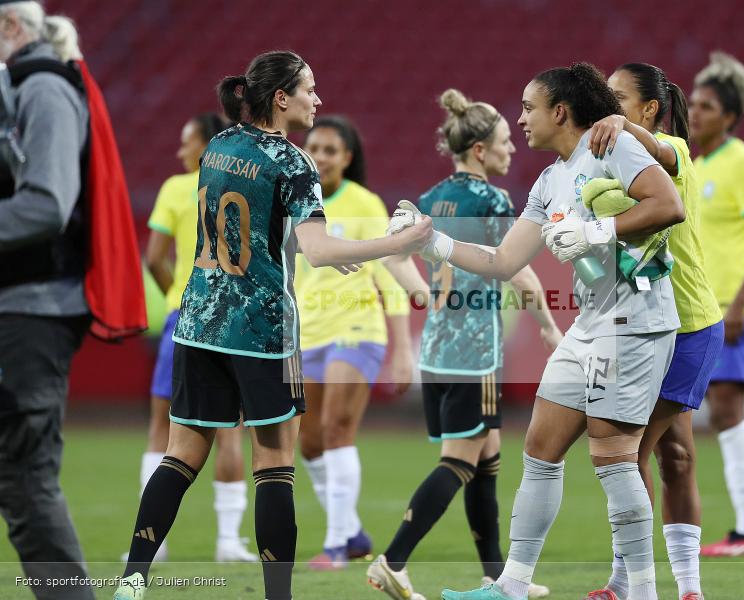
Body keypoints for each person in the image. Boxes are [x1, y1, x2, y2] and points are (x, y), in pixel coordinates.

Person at [113, 50, 432, 600]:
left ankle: (131, 582)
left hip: (198, 323)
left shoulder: (218, 146)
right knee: (275, 462)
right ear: (281, 98)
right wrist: (397, 243)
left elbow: (250, 230)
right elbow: (316, 248)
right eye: (310, 89)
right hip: (261, 331)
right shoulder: (293, 162)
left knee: (181, 453)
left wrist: (319, 248)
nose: (318, 99)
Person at [390, 63, 684, 600]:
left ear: (560, 112)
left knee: (613, 458)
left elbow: (670, 205)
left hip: (637, 324)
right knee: (540, 448)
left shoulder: (612, 149)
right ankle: (511, 586)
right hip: (590, 323)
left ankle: (644, 592)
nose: (520, 118)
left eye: (528, 107)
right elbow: (503, 260)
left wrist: (595, 229)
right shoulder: (549, 180)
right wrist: (432, 242)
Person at [365, 89, 560, 600]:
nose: (511, 148)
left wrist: (424, 294)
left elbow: (390, 257)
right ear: (478, 150)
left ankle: (498, 578)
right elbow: (514, 269)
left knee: (487, 456)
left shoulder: (429, 200)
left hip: (437, 349)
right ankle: (393, 560)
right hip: (475, 351)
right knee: (460, 460)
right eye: (502, 142)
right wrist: (546, 325)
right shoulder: (493, 200)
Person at [1, 4, 144, 599]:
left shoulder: (44, 90)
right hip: (20, 304)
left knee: (27, 477)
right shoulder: (27, 89)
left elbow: (47, 204)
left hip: (33, 310)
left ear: (11, 28)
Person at [583, 63, 725, 600]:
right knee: (674, 455)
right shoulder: (606, 164)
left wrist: (624, 128)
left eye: (617, 100)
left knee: (636, 452)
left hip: (689, 326)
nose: (607, 110)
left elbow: (660, 152)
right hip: (639, 326)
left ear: (648, 110)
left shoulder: (673, 152)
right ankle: (661, 585)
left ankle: (647, 585)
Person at [136, 112, 256, 563]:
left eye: (186, 143)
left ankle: (155, 538)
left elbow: (154, 257)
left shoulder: (176, 187)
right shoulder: (241, 185)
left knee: (161, 430)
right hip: (232, 317)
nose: (180, 151)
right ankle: (228, 542)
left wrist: (173, 291)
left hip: (183, 316)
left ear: (205, 145)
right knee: (231, 432)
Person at [296, 115, 413, 569]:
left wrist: (402, 351)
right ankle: (353, 533)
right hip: (307, 335)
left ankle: (337, 547)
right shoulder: (294, 202)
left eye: (330, 150)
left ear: (347, 157)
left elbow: (390, 274)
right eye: (314, 148)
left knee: (336, 431)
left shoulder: (365, 204)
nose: (321, 157)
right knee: (308, 445)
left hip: (358, 330)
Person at [689, 52, 744, 557]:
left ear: (728, 116)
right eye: (693, 104)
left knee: (726, 407)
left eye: (705, 106)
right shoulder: (698, 166)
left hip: (739, 307)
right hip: (705, 308)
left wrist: (740, 301)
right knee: (717, 411)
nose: (695, 113)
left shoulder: (743, 163)